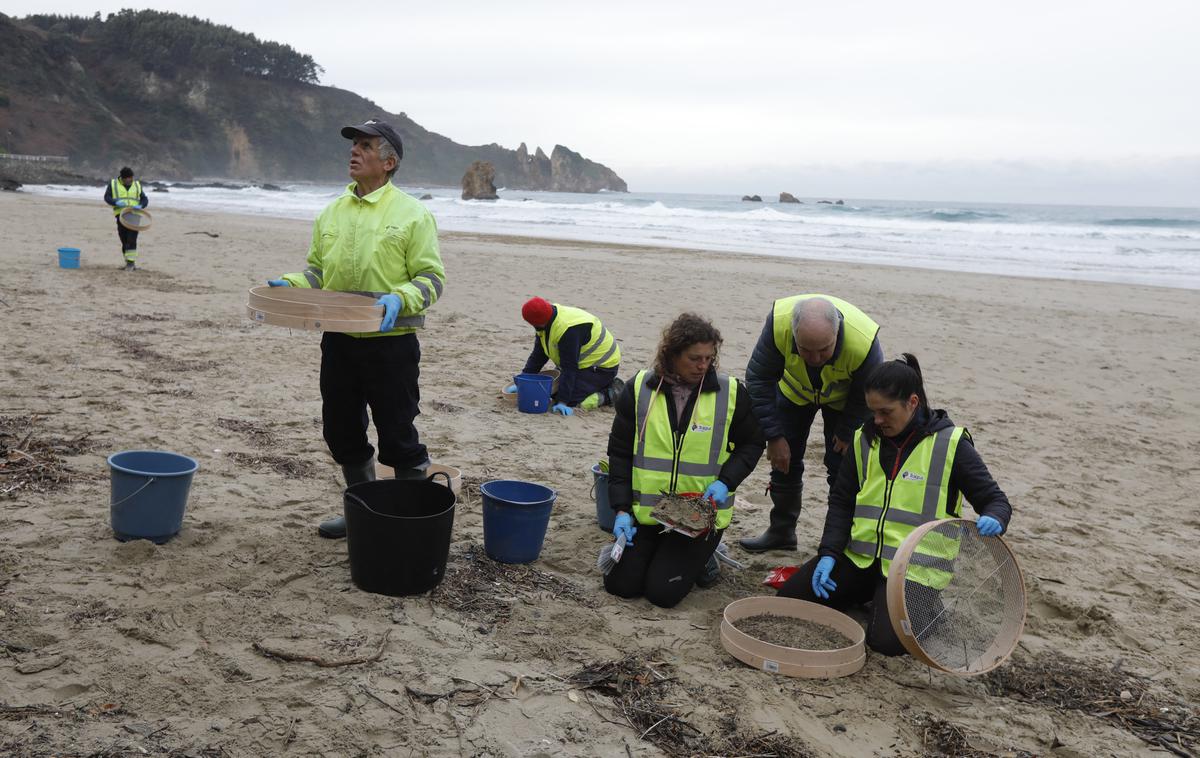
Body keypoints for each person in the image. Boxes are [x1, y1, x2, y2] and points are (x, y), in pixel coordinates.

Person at [265, 118, 446, 539]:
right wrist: (291, 285)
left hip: (392, 345)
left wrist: (401, 297)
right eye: (354, 145)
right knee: (341, 430)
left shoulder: (413, 214)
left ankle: (408, 519)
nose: (355, 151)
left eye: (365, 145)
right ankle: (365, 511)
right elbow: (318, 273)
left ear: (389, 161)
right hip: (339, 340)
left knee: (399, 434)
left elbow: (431, 279)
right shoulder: (331, 212)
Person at [777, 353, 1012, 655]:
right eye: (872, 411)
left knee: (886, 643)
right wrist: (829, 553)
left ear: (912, 403)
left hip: (915, 572)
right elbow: (842, 501)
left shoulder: (951, 445)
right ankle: (868, 596)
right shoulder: (864, 439)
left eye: (885, 412)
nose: (877, 420)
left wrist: (996, 517)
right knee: (790, 598)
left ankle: (928, 610)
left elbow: (995, 500)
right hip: (859, 559)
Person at [604, 313, 764, 607]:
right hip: (650, 512)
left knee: (662, 594)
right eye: (694, 358)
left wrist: (725, 482)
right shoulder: (638, 389)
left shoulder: (730, 393)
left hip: (700, 517)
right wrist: (621, 510)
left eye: (709, 358)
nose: (703, 366)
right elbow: (620, 453)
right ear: (671, 354)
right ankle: (663, 553)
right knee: (621, 585)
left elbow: (753, 443)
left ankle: (707, 559)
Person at [738, 295, 884, 553]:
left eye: (824, 349)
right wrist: (773, 435)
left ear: (837, 334)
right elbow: (758, 379)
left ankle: (840, 541)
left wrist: (848, 430)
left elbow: (869, 392)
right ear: (794, 335)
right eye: (805, 349)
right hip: (794, 393)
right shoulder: (778, 325)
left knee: (843, 469)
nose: (815, 358)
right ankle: (781, 531)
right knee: (784, 462)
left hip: (845, 402)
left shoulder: (864, 341)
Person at [505, 297, 622, 416]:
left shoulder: (568, 330)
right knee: (548, 392)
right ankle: (590, 387)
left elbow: (570, 367)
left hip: (601, 368)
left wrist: (563, 402)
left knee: (571, 401)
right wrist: (522, 381)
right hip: (581, 364)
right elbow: (538, 356)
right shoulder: (545, 321)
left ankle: (610, 394)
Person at [103, 166, 149, 271]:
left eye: (132, 178)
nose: (131, 180)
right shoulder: (113, 184)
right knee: (124, 240)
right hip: (121, 215)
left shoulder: (137, 184)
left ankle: (131, 264)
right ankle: (128, 262)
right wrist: (115, 202)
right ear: (123, 178)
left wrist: (141, 205)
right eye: (129, 179)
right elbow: (107, 197)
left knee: (131, 239)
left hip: (134, 214)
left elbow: (145, 199)